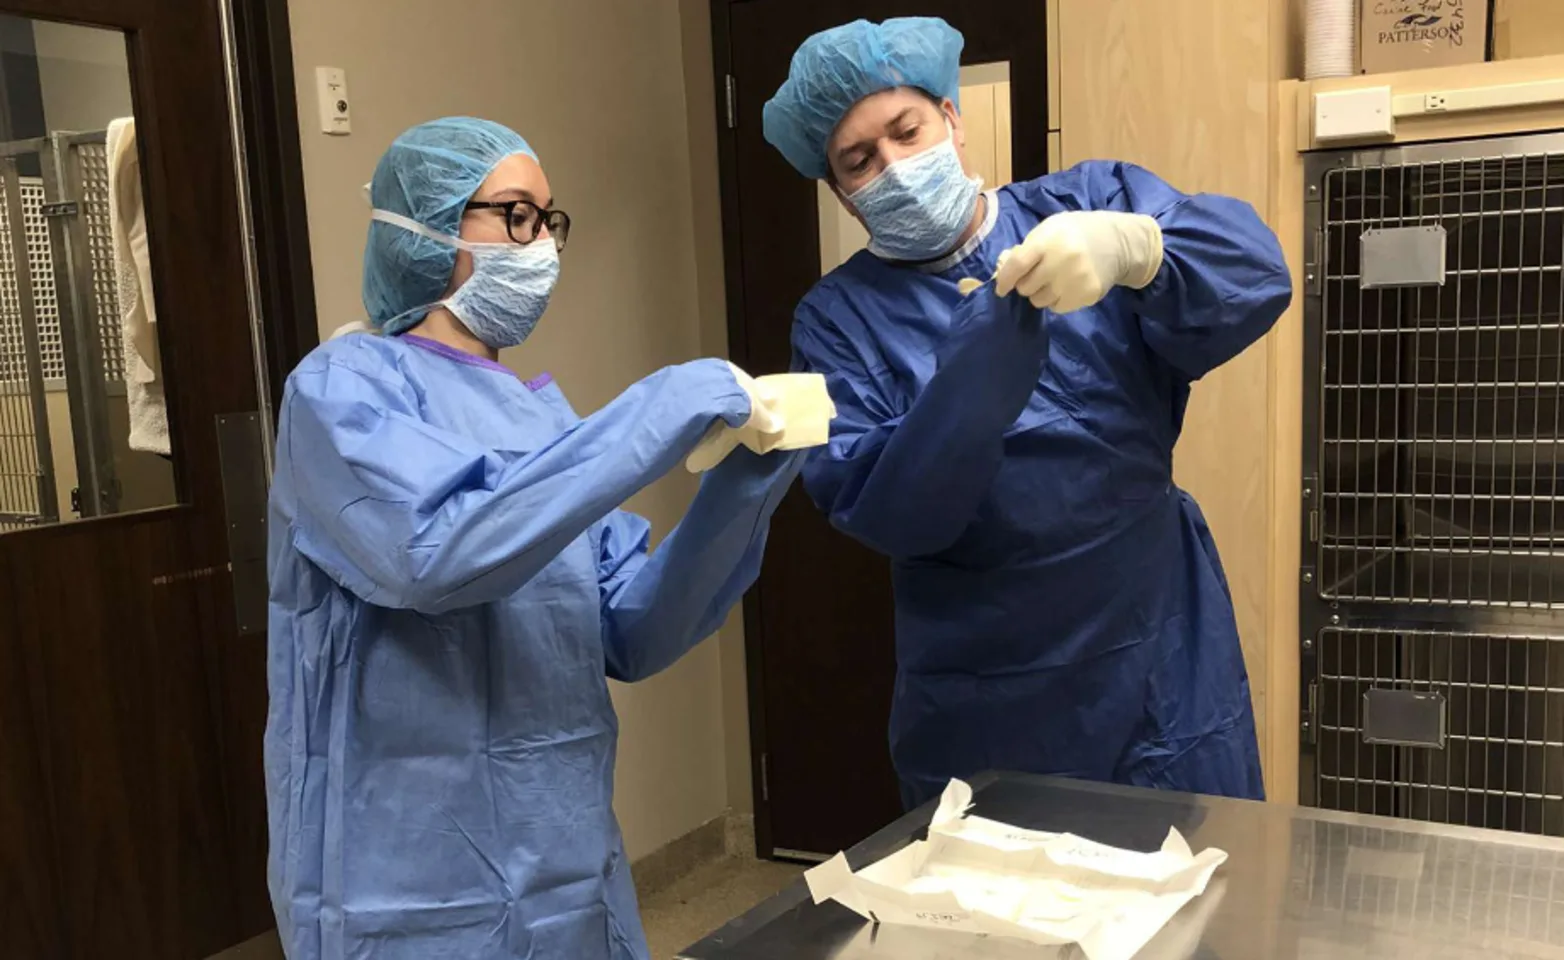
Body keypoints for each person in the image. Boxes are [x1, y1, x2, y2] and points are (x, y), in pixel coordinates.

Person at [265, 117, 805, 960]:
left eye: (550, 221)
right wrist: (656, 407)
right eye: (517, 215)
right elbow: (432, 555)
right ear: (424, 230)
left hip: (562, 861)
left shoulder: (540, 417)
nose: (542, 246)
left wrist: (748, 481)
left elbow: (634, 628)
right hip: (406, 883)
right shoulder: (340, 392)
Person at [763, 18, 1293, 810]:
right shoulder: (837, 320)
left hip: (1156, 646)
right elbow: (887, 509)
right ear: (839, 190)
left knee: (1189, 903)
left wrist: (1139, 249)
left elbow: (1254, 276)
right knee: (996, 914)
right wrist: (983, 369)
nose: (895, 168)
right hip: (987, 683)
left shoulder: (1082, 204)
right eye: (860, 161)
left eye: (907, 131)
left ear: (953, 118)